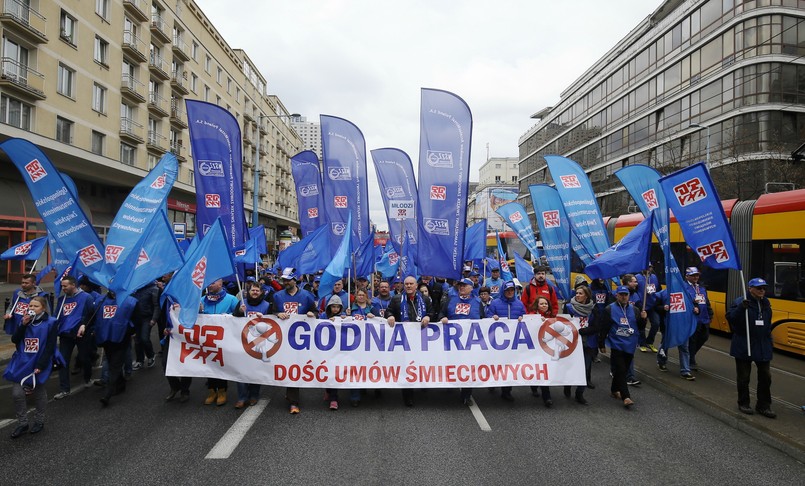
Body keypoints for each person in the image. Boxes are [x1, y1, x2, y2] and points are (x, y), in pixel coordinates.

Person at [4, 296, 58, 438]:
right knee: (17, 393)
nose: (32, 309)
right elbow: (15, 339)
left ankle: (39, 421)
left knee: (38, 391)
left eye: (36, 306)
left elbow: (50, 346)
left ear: (43, 308)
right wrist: (23, 325)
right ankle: (23, 423)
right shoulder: (24, 320)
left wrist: (41, 365)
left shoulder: (51, 322)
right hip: (22, 361)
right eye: (31, 306)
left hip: (39, 362)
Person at [726, 278, 776, 418]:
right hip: (744, 344)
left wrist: (769, 343)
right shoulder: (740, 302)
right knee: (744, 377)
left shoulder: (766, 303)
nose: (762, 291)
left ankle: (764, 405)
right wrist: (742, 308)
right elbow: (731, 319)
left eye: (764, 288)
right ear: (750, 289)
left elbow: (767, 325)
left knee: (766, 376)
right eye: (759, 288)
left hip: (762, 345)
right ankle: (743, 403)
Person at [272, 267, 316, 414]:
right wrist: (278, 314)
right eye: (283, 280)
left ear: (294, 280)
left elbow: (316, 311)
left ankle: (293, 400)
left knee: (296, 367)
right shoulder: (277, 296)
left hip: (301, 340)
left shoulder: (307, 295)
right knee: (288, 367)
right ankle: (292, 397)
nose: (285, 282)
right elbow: (271, 313)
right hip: (283, 339)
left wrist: (312, 313)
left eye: (288, 280)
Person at [387, 276, 435, 407]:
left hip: (420, 339)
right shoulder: (397, 299)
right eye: (406, 284)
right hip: (403, 340)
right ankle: (408, 396)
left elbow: (432, 312)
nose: (408, 286)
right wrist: (390, 315)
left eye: (411, 284)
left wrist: (427, 316)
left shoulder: (424, 299)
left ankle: (422, 385)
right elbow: (389, 310)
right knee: (407, 367)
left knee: (420, 363)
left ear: (416, 286)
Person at [439, 278, 483, 406]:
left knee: (468, 367)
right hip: (452, 341)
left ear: (471, 287)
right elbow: (441, 313)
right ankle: (449, 385)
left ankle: (466, 394)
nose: (462, 287)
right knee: (451, 364)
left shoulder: (477, 302)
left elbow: (484, 319)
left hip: (470, 343)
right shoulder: (450, 300)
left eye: (465, 285)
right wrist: (443, 318)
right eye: (460, 285)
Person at [54, 276, 96, 399]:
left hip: (81, 334)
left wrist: (85, 327)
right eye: (62, 286)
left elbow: (92, 315)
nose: (63, 288)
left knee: (84, 358)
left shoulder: (86, 298)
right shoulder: (62, 300)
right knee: (63, 361)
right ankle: (64, 389)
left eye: (65, 286)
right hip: (65, 335)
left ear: (73, 285)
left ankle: (88, 378)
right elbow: (57, 316)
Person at [603, 285, 646, 409]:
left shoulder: (635, 310)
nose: (623, 297)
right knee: (621, 369)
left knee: (623, 369)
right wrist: (601, 343)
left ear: (628, 296)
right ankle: (626, 396)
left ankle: (613, 390)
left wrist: (644, 319)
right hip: (616, 344)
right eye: (621, 294)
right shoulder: (609, 309)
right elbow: (604, 327)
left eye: (625, 294)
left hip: (630, 345)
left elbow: (641, 327)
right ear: (617, 295)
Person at [94, 290, 138, 407]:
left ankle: (107, 395)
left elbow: (136, 319)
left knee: (114, 366)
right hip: (106, 338)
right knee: (112, 361)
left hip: (121, 338)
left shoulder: (130, 301)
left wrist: (132, 332)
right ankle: (121, 384)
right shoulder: (101, 300)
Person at [199, 278, 239, 406]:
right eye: (208, 283)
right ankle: (212, 391)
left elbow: (239, 318)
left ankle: (222, 391)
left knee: (221, 365)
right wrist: (199, 311)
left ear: (220, 283)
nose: (209, 285)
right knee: (208, 365)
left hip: (224, 340)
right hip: (207, 340)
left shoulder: (232, 299)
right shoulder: (201, 300)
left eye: (212, 282)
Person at [232, 282, 271, 408]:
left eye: (257, 291)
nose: (255, 292)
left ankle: (254, 395)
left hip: (259, 343)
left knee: (255, 370)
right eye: (252, 290)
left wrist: (264, 318)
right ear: (248, 292)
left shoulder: (266, 305)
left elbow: (272, 323)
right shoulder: (242, 303)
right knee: (241, 371)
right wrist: (239, 311)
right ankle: (242, 397)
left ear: (261, 292)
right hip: (243, 342)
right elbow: (233, 319)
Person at [488, 281, 526, 401]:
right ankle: (493, 383)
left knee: (509, 366)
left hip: (513, 341)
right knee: (496, 363)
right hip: (497, 340)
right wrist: (492, 318)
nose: (510, 292)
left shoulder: (519, 304)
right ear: (503, 291)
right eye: (507, 290)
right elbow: (487, 317)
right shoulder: (495, 303)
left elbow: (526, 318)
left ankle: (507, 390)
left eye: (512, 290)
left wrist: (522, 318)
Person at [564, 286, 599, 404]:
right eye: (577, 293)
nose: (577, 295)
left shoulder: (593, 309)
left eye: (580, 293)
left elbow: (597, 326)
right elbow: (563, 322)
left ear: (587, 296)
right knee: (570, 366)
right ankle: (567, 385)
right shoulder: (569, 307)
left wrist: (585, 331)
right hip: (572, 342)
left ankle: (580, 393)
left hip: (588, 343)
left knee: (585, 368)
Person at [319, 295, 346, 410]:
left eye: (337, 307)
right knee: (327, 371)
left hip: (338, 349)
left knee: (335, 372)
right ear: (329, 307)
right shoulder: (324, 316)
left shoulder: (343, 317)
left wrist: (346, 319)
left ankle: (334, 399)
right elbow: (317, 326)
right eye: (333, 307)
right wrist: (326, 322)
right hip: (325, 349)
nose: (335, 309)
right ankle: (328, 390)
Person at [684, 267, 713, 371]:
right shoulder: (683, 287)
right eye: (693, 275)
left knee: (704, 337)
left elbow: (707, 302)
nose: (696, 277)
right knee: (692, 340)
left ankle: (690, 355)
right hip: (692, 319)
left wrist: (710, 315)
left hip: (703, 319)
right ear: (687, 276)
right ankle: (691, 360)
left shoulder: (701, 288)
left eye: (697, 275)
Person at [532, 295, 557, 407]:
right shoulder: (531, 316)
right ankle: (537, 389)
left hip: (546, 349)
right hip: (535, 348)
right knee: (537, 369)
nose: (544, 305)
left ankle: (545, 395)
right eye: (541, 304)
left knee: (544, 371)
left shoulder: (552, 316)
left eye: (546, 303)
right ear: (537, 305)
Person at [131, 281, 160, 371]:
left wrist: (154, 319)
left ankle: (150, 355)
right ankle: (140, 360)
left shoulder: (154, 289)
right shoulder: (135, 289)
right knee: (137, 340)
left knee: (144, 338)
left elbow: (156, 305)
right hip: (136, 318)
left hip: (147, 318)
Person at [636, 264, 661, 353]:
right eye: (646, 266)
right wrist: (638, 303)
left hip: (652, 306)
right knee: (642, 325)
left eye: (650, 267)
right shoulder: (637, 277)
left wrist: (657, 301)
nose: (648, 268)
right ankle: (641, 343)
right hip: (642, 306)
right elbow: (634, 292)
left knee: (656, 323)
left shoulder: (654, 277)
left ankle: (649, 342)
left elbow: (658, 290)